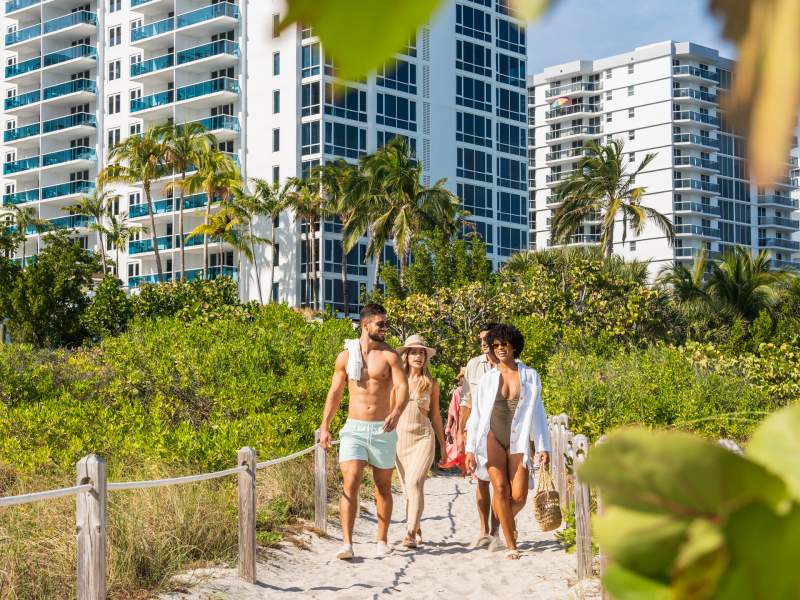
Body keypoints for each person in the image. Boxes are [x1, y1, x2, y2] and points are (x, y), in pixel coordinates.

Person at [319, 303, 410, 560]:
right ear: (365, 324)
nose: (385, 328)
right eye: (381, 323)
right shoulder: (346, 356)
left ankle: (381, 539)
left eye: (385, 323)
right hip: (354, 429)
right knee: (351, 482)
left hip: (383, 428)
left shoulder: (390, 356)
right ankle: (347, 544)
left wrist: (397, 411)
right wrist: (325, 425)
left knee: (383, 486)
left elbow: (403, 388)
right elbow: (335, 392)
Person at [465, 323, 550, 560]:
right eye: (495, 345)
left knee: (519, 496)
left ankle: (502, 524)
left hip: (519, 439)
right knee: (500, 488)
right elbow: (477, 416)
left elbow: (538, 412)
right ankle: (511, 544)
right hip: (492, 437)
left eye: (504, 344)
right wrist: (470, 449)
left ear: (513, 345)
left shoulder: (530, 375)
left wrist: (543, 446)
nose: (500, 349)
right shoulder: (488, 379)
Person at [394, 335, 446, 548]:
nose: (418, 356)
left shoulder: (432, 383)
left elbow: (435, 415)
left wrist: (443, 445)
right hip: (399, 438)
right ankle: (416, 526)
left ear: (426, 357)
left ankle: (409, 532)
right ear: (406, 355)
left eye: (421, 352)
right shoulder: (397, 380)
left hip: (424, 437)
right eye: (414, 352)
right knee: (408, 490)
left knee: (415, 483)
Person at [458, 323, 501, 548]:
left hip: (502, 430)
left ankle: (496, 529)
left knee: (500, 483)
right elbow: (466, 401)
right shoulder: (473, 365)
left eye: (488, 338)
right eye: (480, 339)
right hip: (478, 430)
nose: (483, 342)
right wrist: (460, 432)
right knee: (481, 481)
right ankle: (484, 530)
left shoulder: (508, 365)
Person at [440, 367, 466, 473]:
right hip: (463, 424)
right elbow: (452, 411)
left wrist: (448, 427)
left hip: (463, 424)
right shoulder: (458, 392)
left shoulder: (459, 392)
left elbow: (451, 411)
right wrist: (449, 427)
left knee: (459, 447)